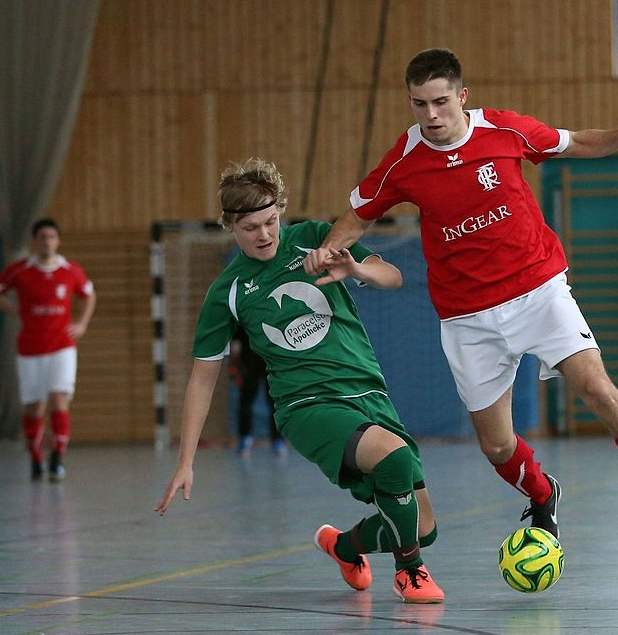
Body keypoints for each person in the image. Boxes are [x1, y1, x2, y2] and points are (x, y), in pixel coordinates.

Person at [305, 48, 618, 547]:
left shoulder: (504, 131)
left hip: (538, 290)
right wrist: (329, 248)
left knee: (598, 390)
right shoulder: (405, 161)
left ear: (462, 96)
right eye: (419, 105)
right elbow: (357, 216)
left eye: (440, 102)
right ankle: (544, 494)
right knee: (498, 444)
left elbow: (577, 143)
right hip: (467, 315)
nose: (431, 115)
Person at [156, 158, 444, 603]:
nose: (265, 234)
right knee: (395, 459)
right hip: (306, 406)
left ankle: (343, 547)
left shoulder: (313, 239)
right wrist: (186, 461)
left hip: (369, 393)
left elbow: (394, 275)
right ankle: (410, 573)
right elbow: (202, 378)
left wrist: (357, 270)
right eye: (251, 227)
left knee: (423, 528)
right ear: (231, 225)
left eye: (271, 221)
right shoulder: (227, 291)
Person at [0, 218, 96, 482]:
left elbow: (89, 294)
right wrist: (12, 309)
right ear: (35, 241)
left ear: (58, 241)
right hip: (30, 348)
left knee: (59, 399)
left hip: (61, 347)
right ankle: (36, 457)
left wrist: (81, 324)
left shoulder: (70, 270)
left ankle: (58, 458)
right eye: (42, 237)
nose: (47, 241)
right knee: (34, 408)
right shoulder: (20, 270)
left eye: (52, 237)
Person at [229, 327, 286, 458]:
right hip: (249, 361)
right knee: (246, 401)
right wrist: (235, 347)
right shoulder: (244, 312)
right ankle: (244, 438)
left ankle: (278, 440)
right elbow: (238, 333)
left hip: (271, 361)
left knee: (274, 402)